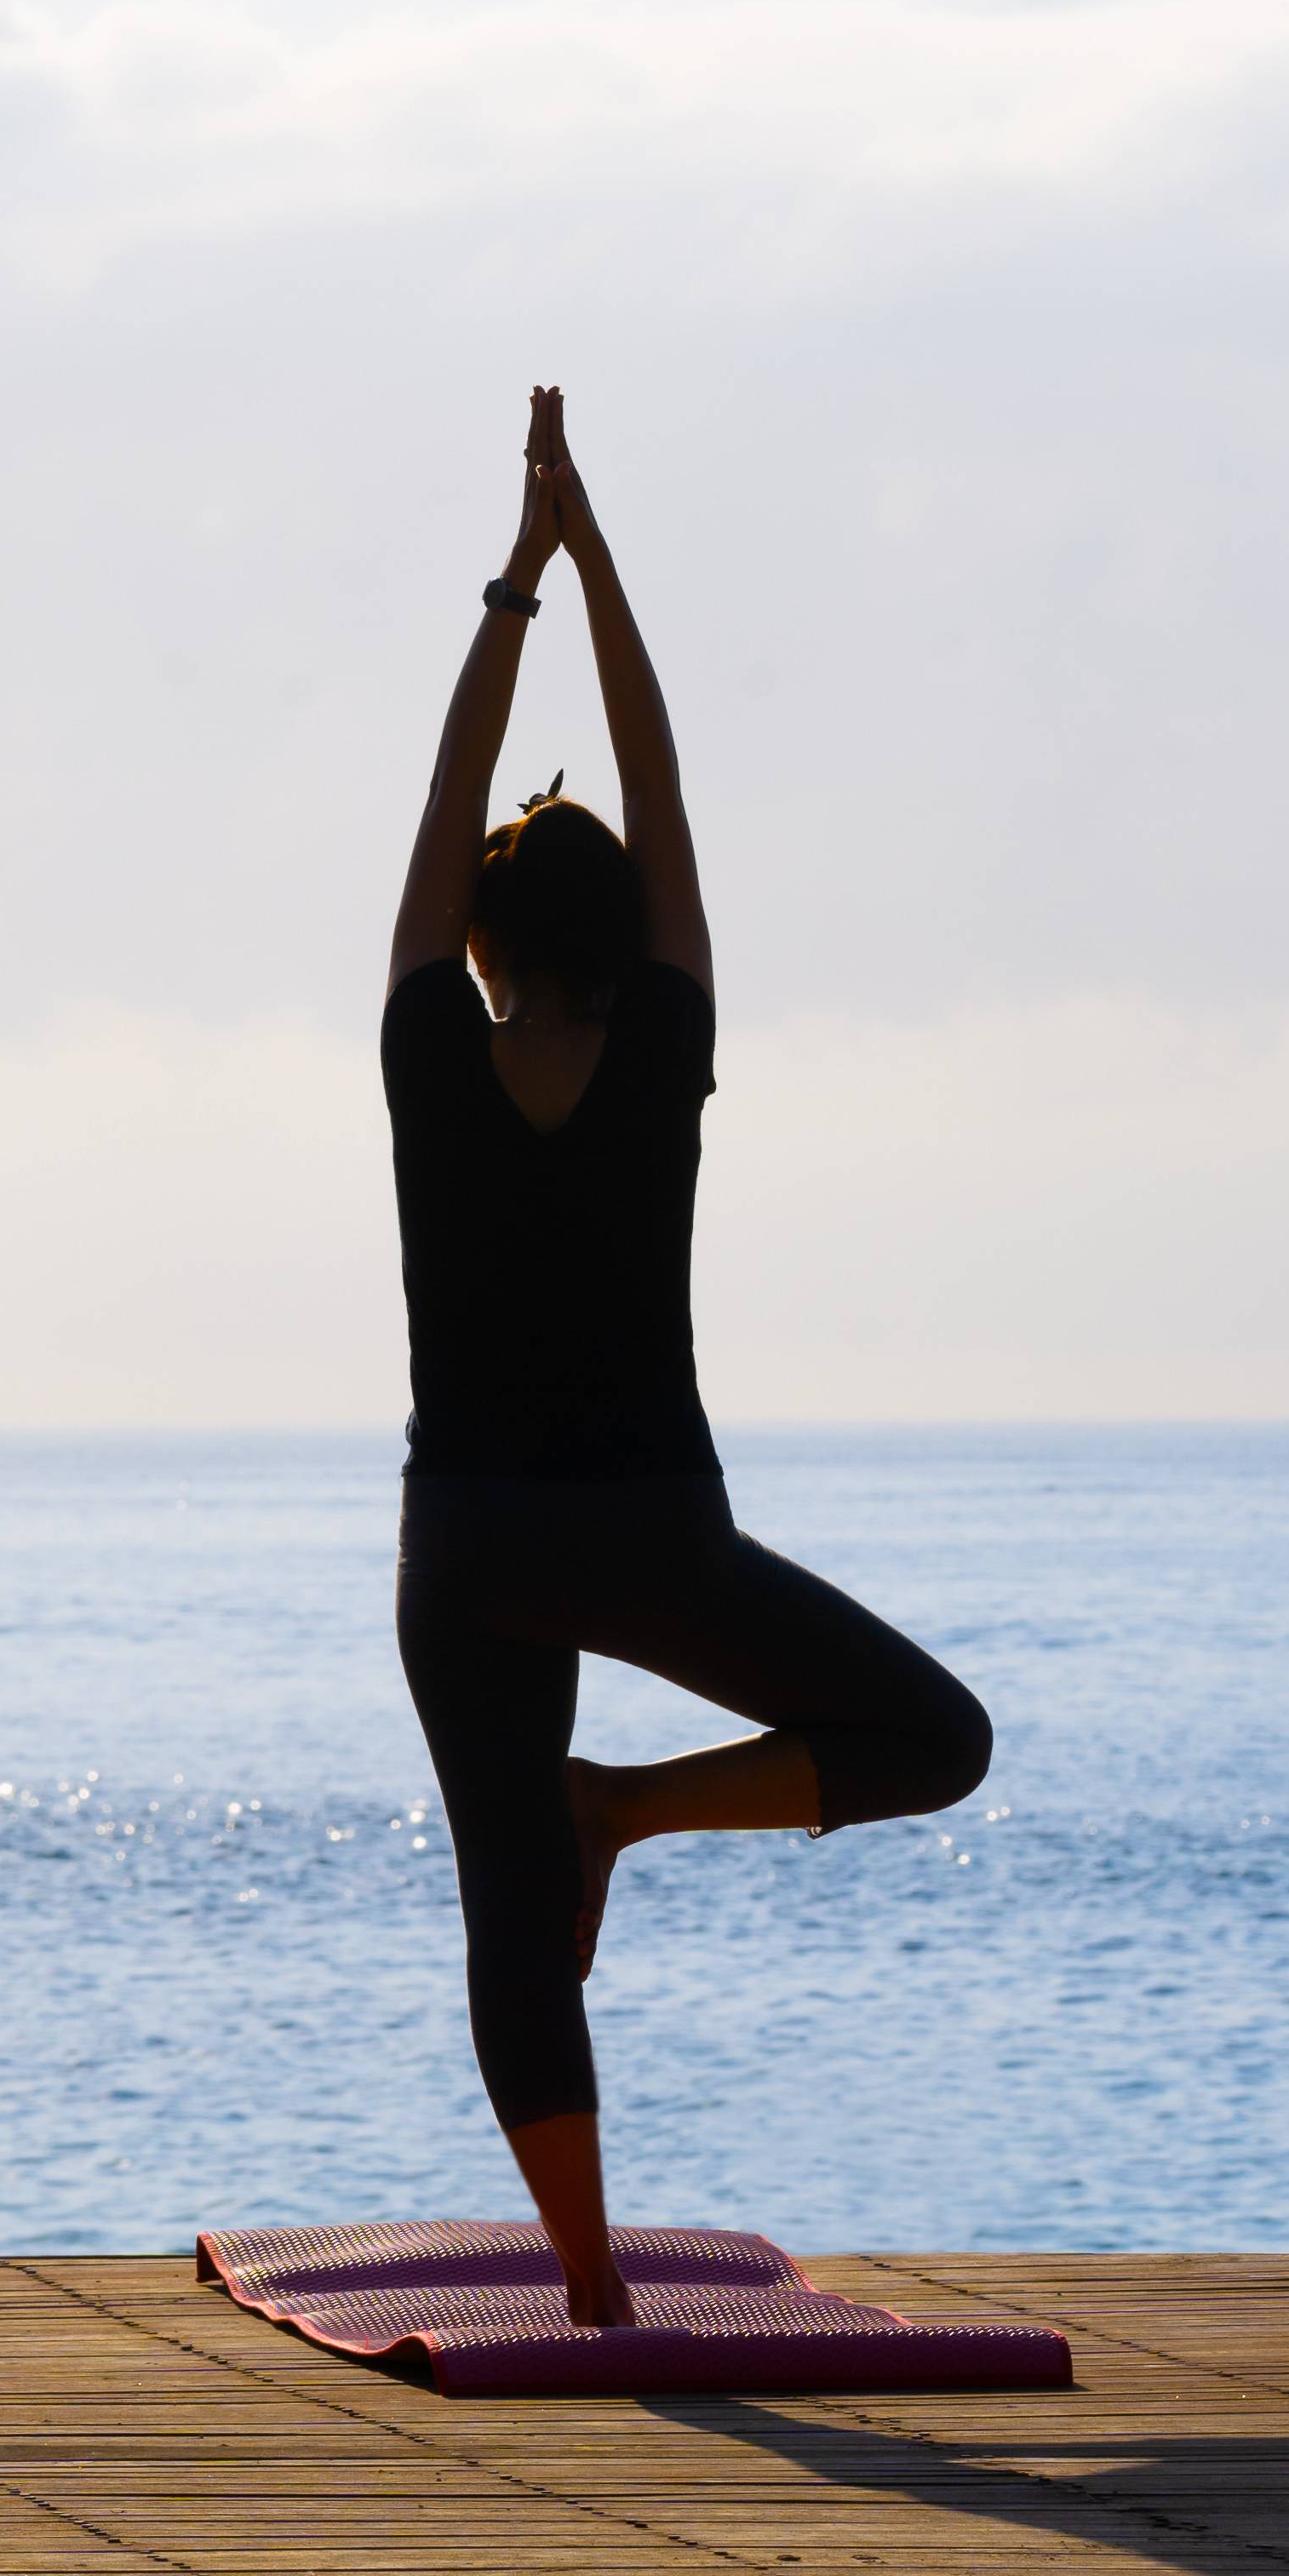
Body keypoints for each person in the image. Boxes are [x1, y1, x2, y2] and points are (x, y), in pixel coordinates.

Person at [381, 386, 993, 2329]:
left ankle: (590, 2285)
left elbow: (444, 804)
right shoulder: (665, 1041)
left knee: (504, 1899)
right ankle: (627, 1807)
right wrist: (595, 559)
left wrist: (514, 583)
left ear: (478, 939)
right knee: (937, 1739)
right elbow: (656, 773)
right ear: (632, 927)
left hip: (471, 1543)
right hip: (648, 1533)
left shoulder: (422, 1046)